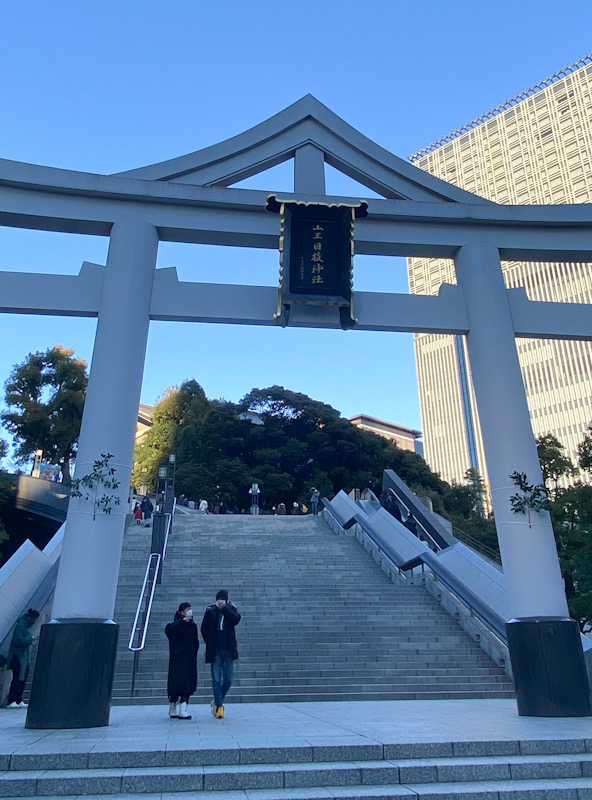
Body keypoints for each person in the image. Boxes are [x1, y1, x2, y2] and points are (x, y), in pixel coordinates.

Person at [201, 589, 241, 719]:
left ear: (227, 600)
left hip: (229, 650)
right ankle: (219, 707)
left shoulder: (231, 609)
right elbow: (204, 628)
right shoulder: (210, 610)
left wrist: (225, 609)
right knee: (216, 679)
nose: (220, 602)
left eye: (223, 599)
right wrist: (209, 642)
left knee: (228, 679)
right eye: (219, 599)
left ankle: (217, 701)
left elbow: (236, 620)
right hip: (216, 650)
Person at [165, 602, 198, 720]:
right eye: (187, 609)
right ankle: (172, 705)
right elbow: (170, 631)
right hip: (177, 659)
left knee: (187, 685)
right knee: (175, 684)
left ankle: (183, 708)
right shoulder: (174, 626)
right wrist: (181, 623)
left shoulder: (193, 626)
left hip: (189, 659)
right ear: (181, 612)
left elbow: (195, 642)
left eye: (190, 609)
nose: (189, 611)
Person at [5, 608, 39, 708]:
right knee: (17, 678)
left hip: (23, 658)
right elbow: (17, 640)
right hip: (17, 657)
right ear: (29, 618)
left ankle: (18, 699)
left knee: (22, 678)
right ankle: (12, 700)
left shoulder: (24, 627)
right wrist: (30, 638)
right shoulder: (20, 626)